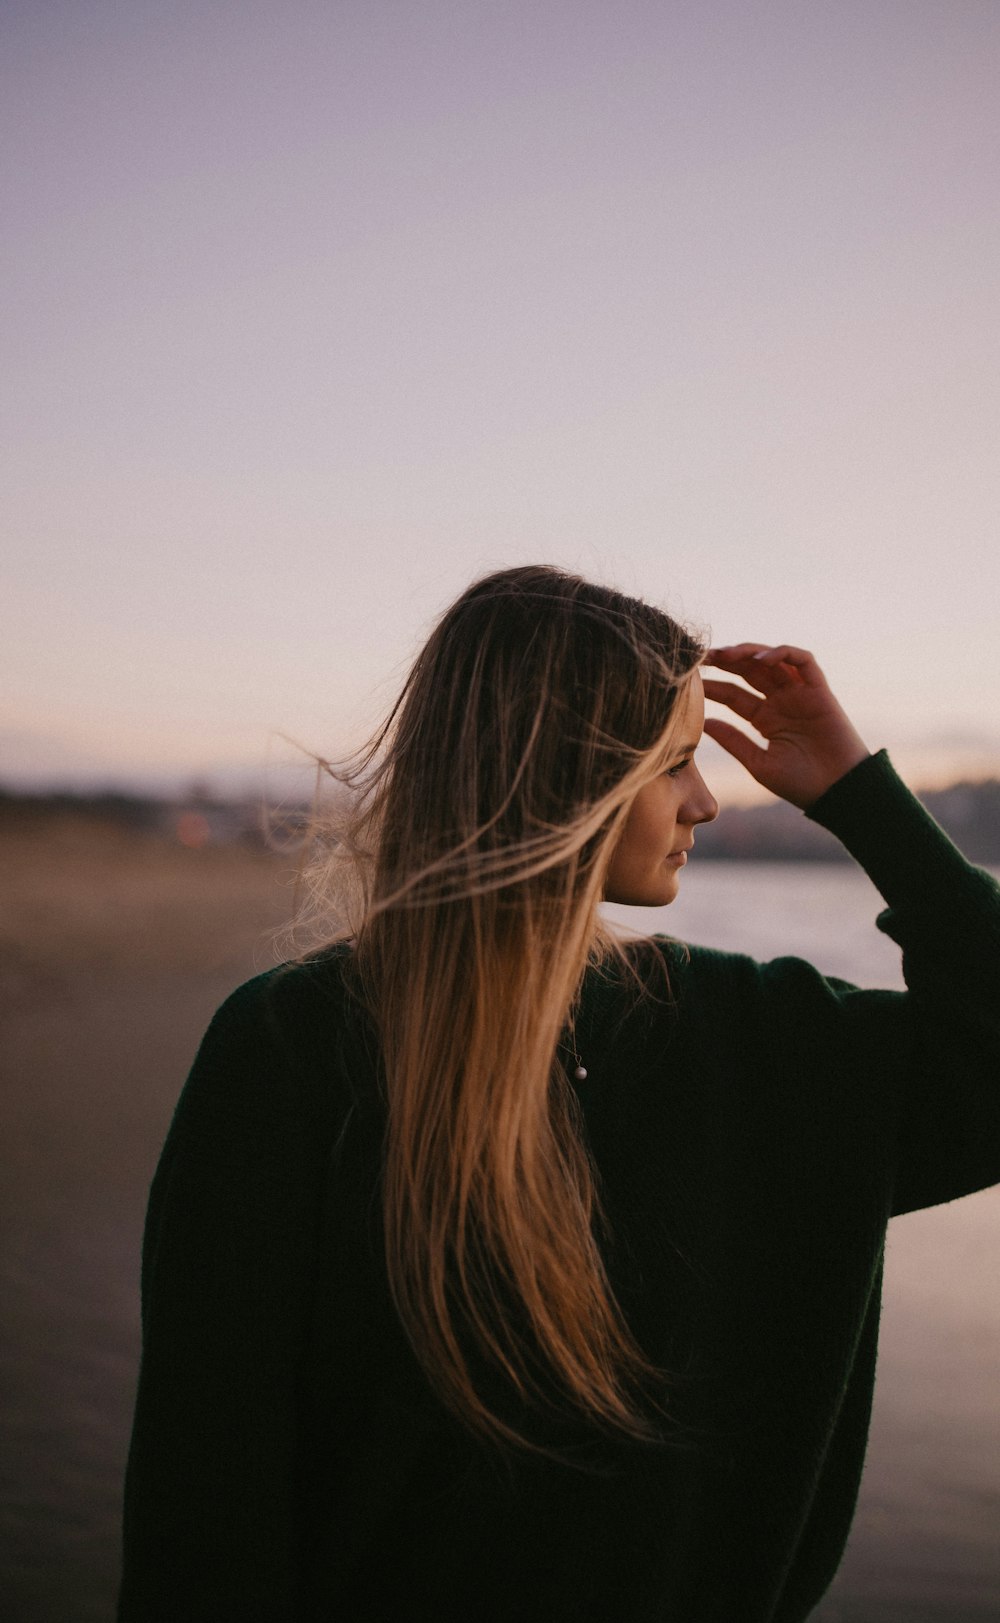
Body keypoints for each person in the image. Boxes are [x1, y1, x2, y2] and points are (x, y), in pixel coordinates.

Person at [118, 565, 1000, 1623]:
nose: (707, 801)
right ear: (573, 775)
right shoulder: (296, 1050)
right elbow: (210, 1482)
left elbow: (199, 1502)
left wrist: (866, 796)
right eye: (675, 764)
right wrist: (862, 804)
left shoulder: (756, 1037)